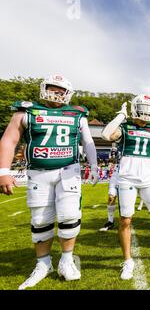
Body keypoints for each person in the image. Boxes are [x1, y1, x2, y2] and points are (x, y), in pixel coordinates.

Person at [0, 75, 99, 289]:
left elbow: (89, 143)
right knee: (40, 219)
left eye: (60, 89)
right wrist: (3, 171)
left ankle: (66, 260)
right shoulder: (26, 111)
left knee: (70, 216)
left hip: (68, 172)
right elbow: (9, 140)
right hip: (39, 172)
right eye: (52, 88)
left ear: (68, 93)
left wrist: (93, 166)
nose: (56, 93)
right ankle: (43, 264)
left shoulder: (78, 114)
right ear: (44, 89)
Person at [101, 95, 150, 280]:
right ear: (135, 107)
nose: (145, 111)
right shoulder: (125, 126)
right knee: (125, 220)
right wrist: (121, 116)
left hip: (147, 176)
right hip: (127, 176)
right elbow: (106, 135)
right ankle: (128, 261)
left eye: (148, 107)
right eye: (142, 107)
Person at [99, 149, 120, 232]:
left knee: (124, 201)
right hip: (116, 173)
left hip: (127, 174)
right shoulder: (117, 149)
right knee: (111, 197)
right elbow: (112, 160)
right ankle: (110, 221)